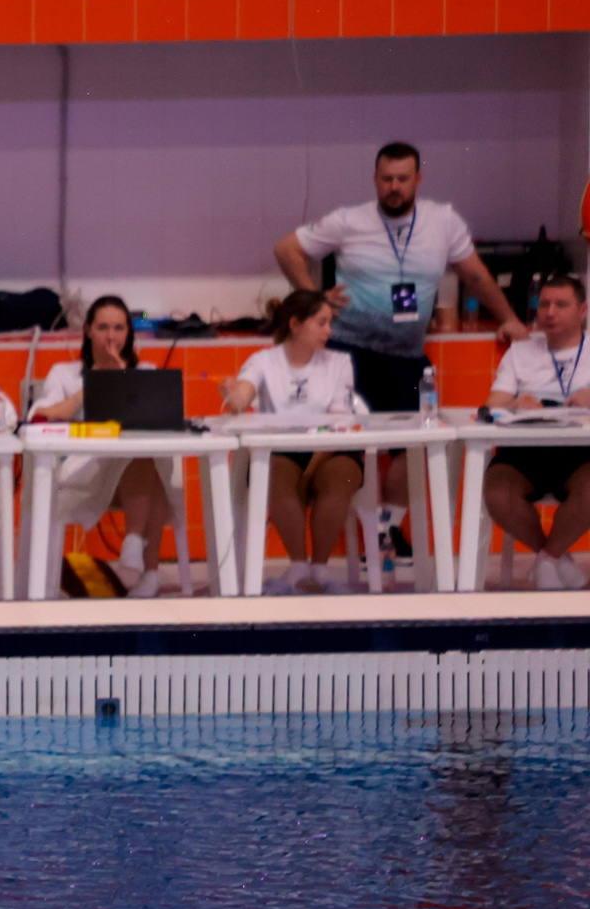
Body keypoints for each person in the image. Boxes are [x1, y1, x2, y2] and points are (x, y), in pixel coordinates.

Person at [272, 141, 527, 413]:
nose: (394, 186)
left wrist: (509, 318)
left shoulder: (443, 221)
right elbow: (286, 250)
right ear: (375, 179)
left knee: (414, 434)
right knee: (346, 435)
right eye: (387, 179)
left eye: (403, 179)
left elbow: (476, 277)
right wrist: (315, 300)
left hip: (407, 357)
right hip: (346, 352)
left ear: (418, 179)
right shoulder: (348, 220)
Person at [28, 294, 178, 598]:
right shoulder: (64, 373)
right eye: (103, 328)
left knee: (149, 458)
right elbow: (43, 416)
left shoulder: (145, 371)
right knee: (149, 465)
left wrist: (124, 378)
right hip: (84, 471)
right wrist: (93, 385)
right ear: (88, 330)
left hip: (133, 475)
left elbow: (158, 423)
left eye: (119, 328)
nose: (112, 336)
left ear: (129, 333)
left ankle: (135, 548)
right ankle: (146, 567)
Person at [223, 289, 364, 594]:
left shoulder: (339, 362)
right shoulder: (263, 361)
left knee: (343, 475)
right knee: (274, 473)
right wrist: (234, 397)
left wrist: (314, 462)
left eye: (330, 323)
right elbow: (243, 395)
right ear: (295, 324)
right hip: (281, 452)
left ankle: (321, 566)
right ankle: (298, 565)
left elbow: (339, 421)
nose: (329, 331)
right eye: (321, 323)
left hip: (329, 450)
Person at [480, 272, 590, 590]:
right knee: (497, 492)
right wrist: (515, 402)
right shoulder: (521, 351)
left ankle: (549, 559)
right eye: (544, 304)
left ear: (582, 310)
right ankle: (553, 559)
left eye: (561, 305)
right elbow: (492, 403)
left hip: (580, 453)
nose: (550, 313)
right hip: (523, 452)